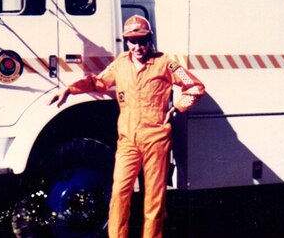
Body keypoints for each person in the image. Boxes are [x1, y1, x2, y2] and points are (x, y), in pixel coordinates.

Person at [50, 15, 205, 238]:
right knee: (119, 194)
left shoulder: (166, 63)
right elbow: (98, 82)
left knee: (154, 199)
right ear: (126, 42)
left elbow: (195, 87)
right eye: (132, 41)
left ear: (149, 39)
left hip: (156, 140)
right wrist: (70, 89)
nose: (137, 47)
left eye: (142, 40)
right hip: (127, 142)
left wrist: (178, 107)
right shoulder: (121, 63)